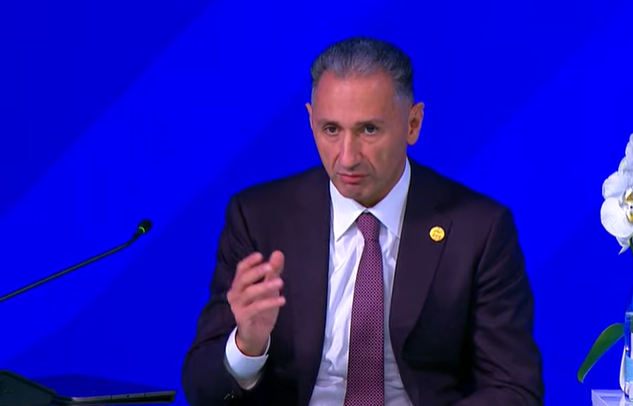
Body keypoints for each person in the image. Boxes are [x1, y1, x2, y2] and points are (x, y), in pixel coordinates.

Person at [181, 36, 544, 406]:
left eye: (369, 130)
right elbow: (202, 391)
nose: (347, 157)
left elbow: (513, 387)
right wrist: (247, 346)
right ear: (310, 120)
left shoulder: (478, 229)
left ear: (413, 124)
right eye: (331, 130)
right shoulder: (260, 218)